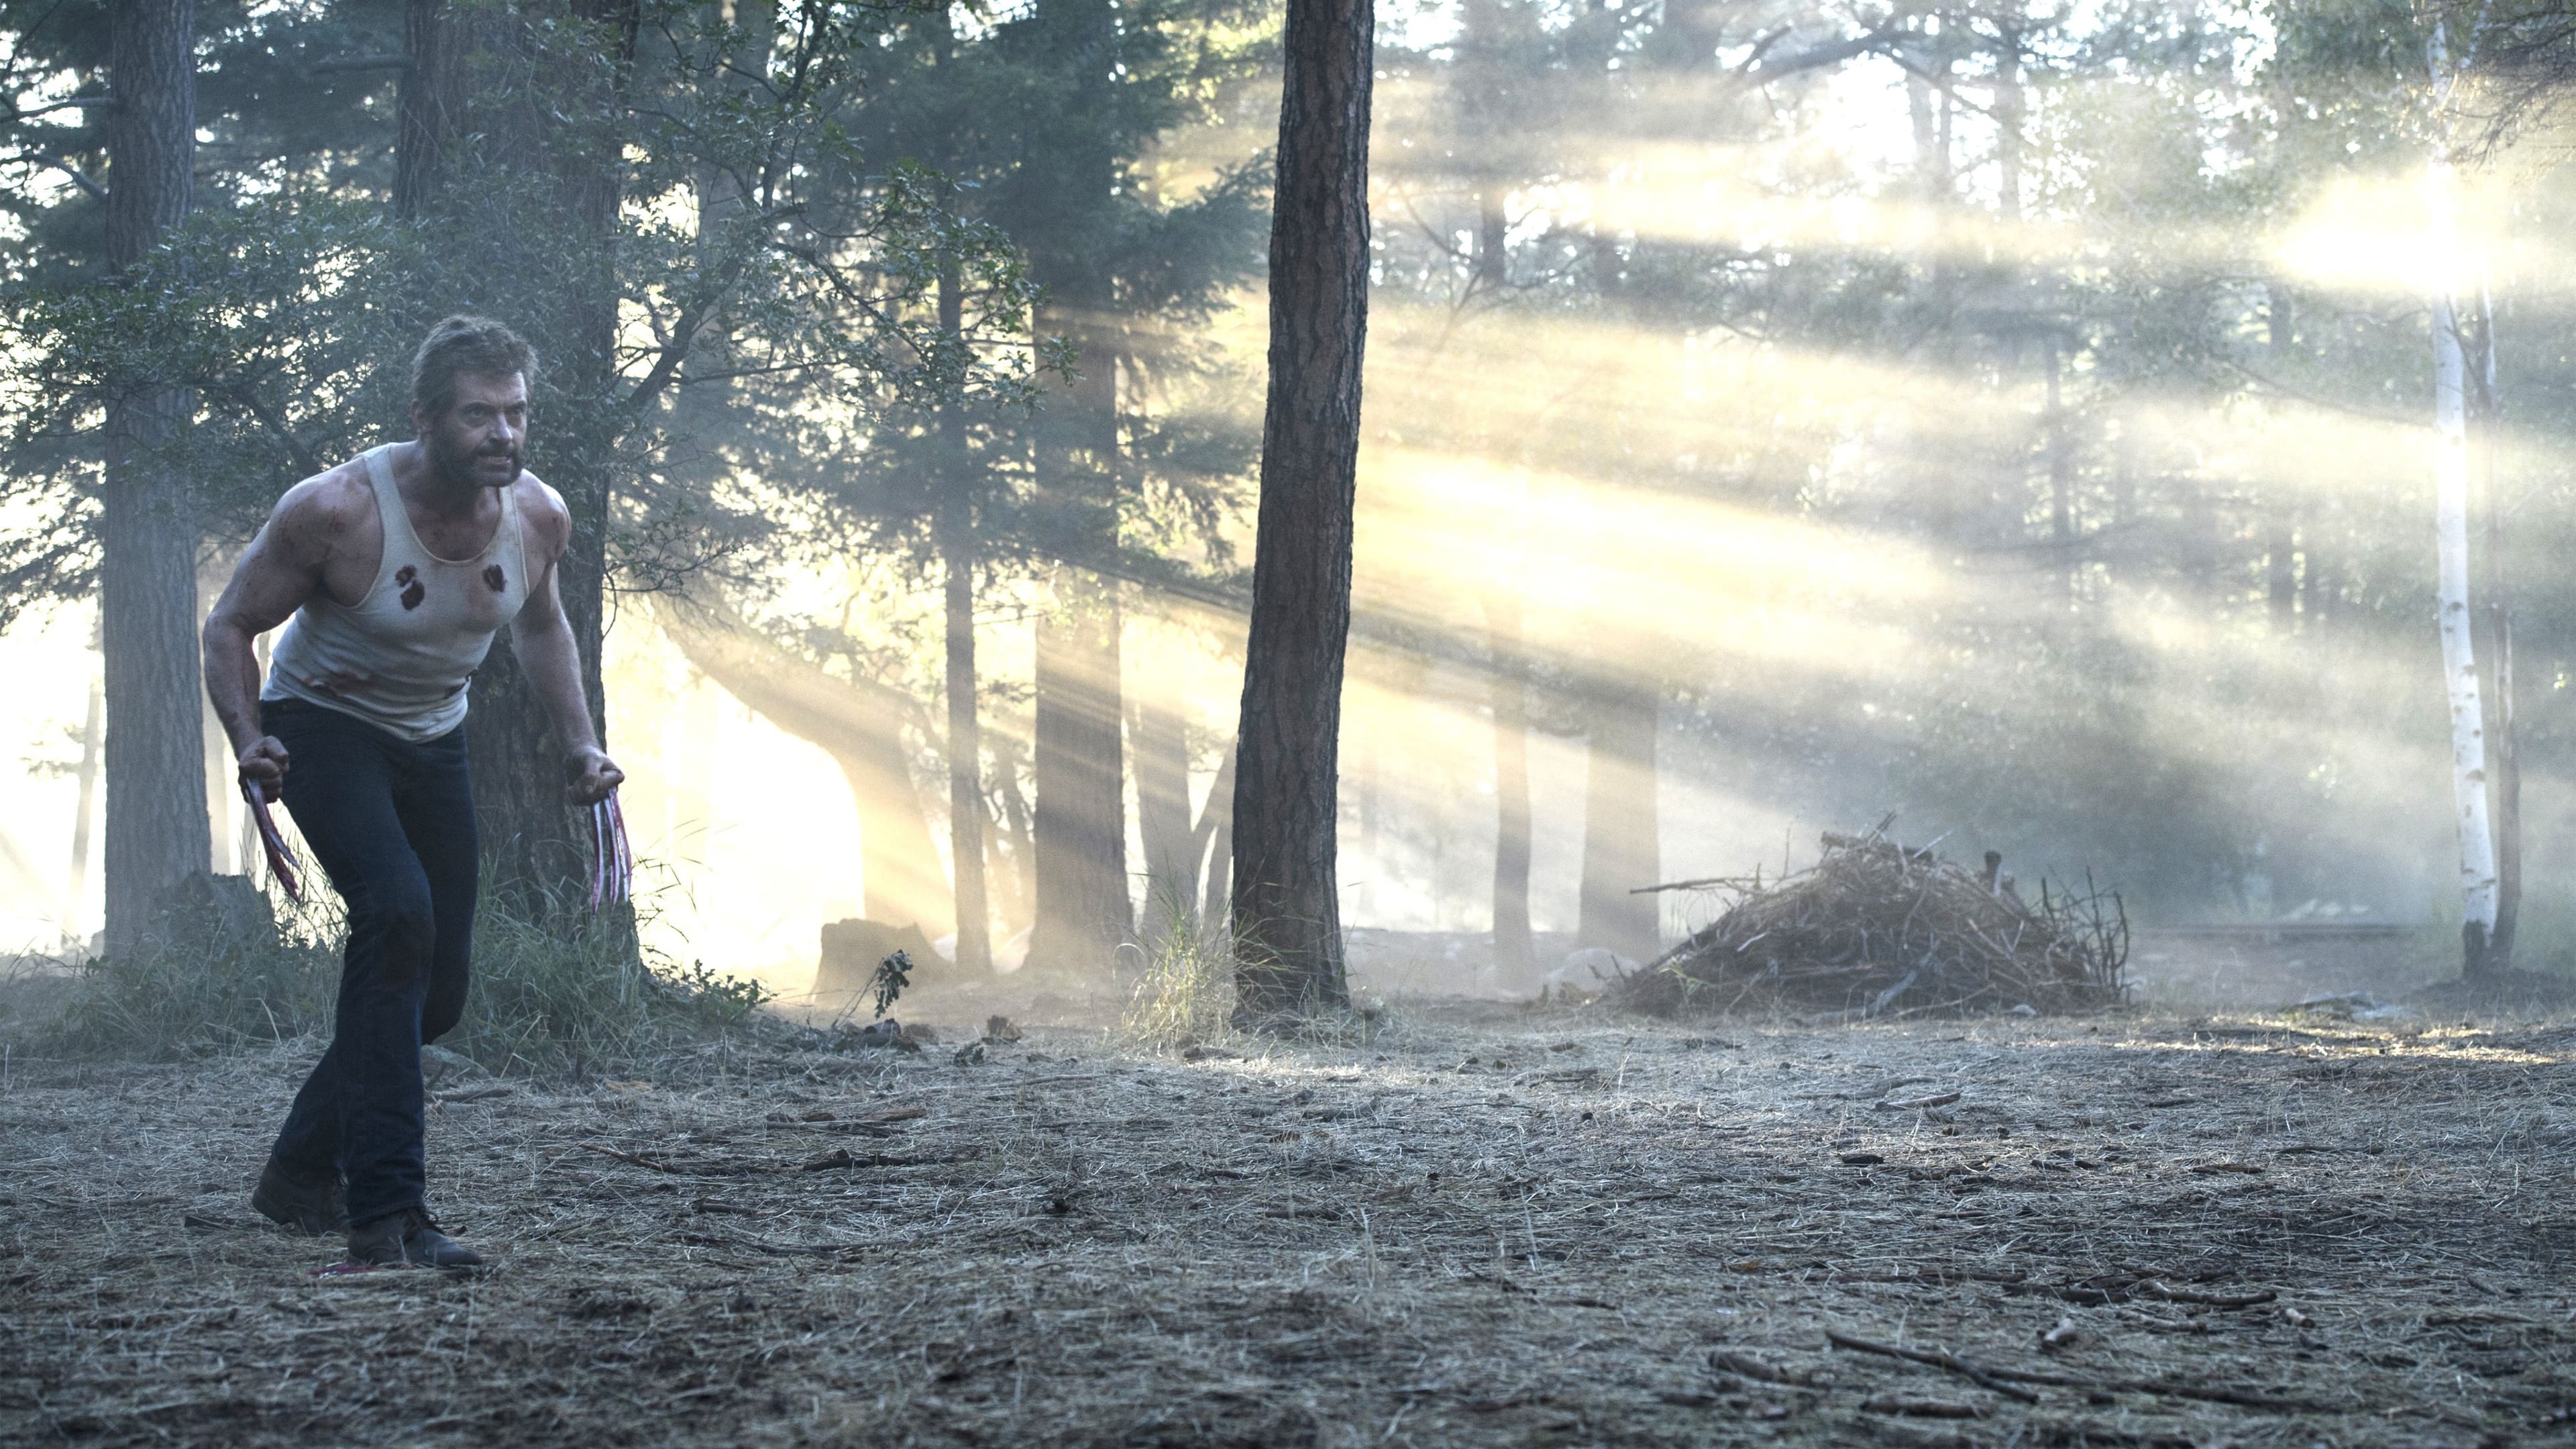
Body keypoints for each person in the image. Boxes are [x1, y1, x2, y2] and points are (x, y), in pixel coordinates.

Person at [202, 316, 623, 1268]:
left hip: (435, 740)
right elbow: (230, 624)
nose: (503, 435)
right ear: (424, 418)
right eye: (479, 415)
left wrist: (581, 746)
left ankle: (296, 1175)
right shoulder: (338, 510)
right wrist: (251, 737)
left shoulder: (538, 517)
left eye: (516, 414)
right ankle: (387, 1217)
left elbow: (543, 630)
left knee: (433, 997)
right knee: (396, 917)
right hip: (324, 727)